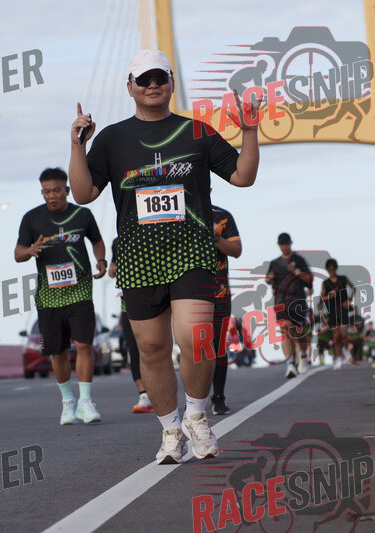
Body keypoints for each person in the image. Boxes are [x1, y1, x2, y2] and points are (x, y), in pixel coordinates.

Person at [69, 49, 260, 464]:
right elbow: (83, 194)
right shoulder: (112, 139)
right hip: (139, 257)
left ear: (172, 83)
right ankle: (171, 431)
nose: (153, 84)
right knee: (152, 349)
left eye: (160, 77)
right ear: (130, 87)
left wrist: (249, 131)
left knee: (196, 338)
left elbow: (242, 177)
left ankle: (197, 416)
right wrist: (77, 146)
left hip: (192, 251)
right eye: (144, 79)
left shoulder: (197, 132)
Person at [14, 168, 107, 425]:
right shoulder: (32, 219)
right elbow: (18, 253)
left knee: (85, 345)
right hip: (49, 298)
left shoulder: (82, 215)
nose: (52, 196)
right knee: (58, 351)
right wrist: (30, 250)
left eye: (56, 190)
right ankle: (68, 402)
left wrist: (101, 260)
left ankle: (86, 402)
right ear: (42, 193)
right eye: (46, 192)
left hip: (80, 292)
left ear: (66, 190)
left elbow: (97, 241)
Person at [108, 238, 153, 414]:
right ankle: (143, 395)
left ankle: (158, 391)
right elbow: (112, 270)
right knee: (134, 351)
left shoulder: (150, 235)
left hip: (152, 302)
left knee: (152, 349)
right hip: (127, 307)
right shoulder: (118, 242)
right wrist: (112, 269)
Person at [265, 233, 313, 378]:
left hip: (297, 301)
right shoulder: (275, 263)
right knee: (285, 330)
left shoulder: (299, 260)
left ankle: (303, 355)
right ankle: (291, 364)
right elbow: (268, 279)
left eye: (286, 244)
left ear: (290, 243)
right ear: (279, 245)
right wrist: (269, 279)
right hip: (281, 302)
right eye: (282, 244)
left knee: (299, 332)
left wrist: (296, 271)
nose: (284, 246)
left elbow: (309, 279)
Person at [210, 202, 242, 415]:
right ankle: (194, 400)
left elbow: (237, 251)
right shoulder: (176, 213)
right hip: (187, 291)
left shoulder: (222, 216)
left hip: (219, 290)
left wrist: (215, 237)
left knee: (218, 345)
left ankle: (218, 396)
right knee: (192, 346)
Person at [321, 258, 355, 370]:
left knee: (344, 333)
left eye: (333, 269)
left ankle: (346, 350)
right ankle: (339, 358)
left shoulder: (343, 279)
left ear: (336, 268)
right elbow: (322, 297)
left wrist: (349, 300)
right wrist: (329, 296)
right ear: (327, 270)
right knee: (336, 336)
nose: (331, 271)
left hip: (343, 309)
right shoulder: (325, 283)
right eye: (329, 269)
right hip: (332, 311)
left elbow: (353, 288)